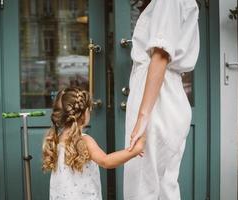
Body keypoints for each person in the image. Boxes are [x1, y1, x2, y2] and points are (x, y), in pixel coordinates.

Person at [124, 0, 200, 199]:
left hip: (158, 96)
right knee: (163, 184)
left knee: (143, 184)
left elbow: (160, 55)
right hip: (164, 92)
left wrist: (142, 116)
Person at [42, 87, 145, 200]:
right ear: (85, 114)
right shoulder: (84, 141)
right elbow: (106, 161)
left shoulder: (56, 139)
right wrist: (134, 151)